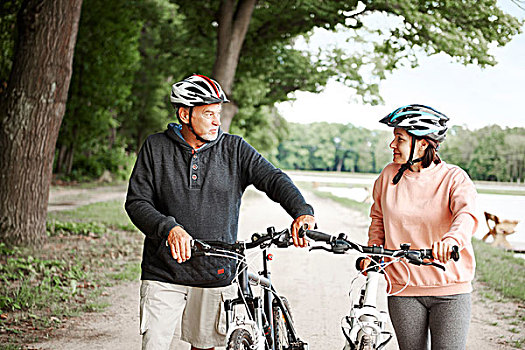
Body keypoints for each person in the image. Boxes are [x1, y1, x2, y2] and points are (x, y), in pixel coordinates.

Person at [125, 74, 316, 350]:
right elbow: (137, 202)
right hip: (163, 269)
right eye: (208, 114)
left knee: (205, 346)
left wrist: (301, 210)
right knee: (154, 344)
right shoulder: (156, 147)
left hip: (214, 269)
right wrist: (169, 228)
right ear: (185, 114)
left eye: (219, 113)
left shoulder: (234, 148)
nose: (217, 121)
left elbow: (273, 178)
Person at [363, 104, 478, 350]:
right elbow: (378, 221)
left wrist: (452, 240)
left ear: (423, 143)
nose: (392, 145)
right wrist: (373, 253)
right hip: (403, 287)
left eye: (400, 139)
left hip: (450, 290)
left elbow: (466, 214)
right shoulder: (388, 176)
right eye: (394, 138)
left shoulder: (454, 178)